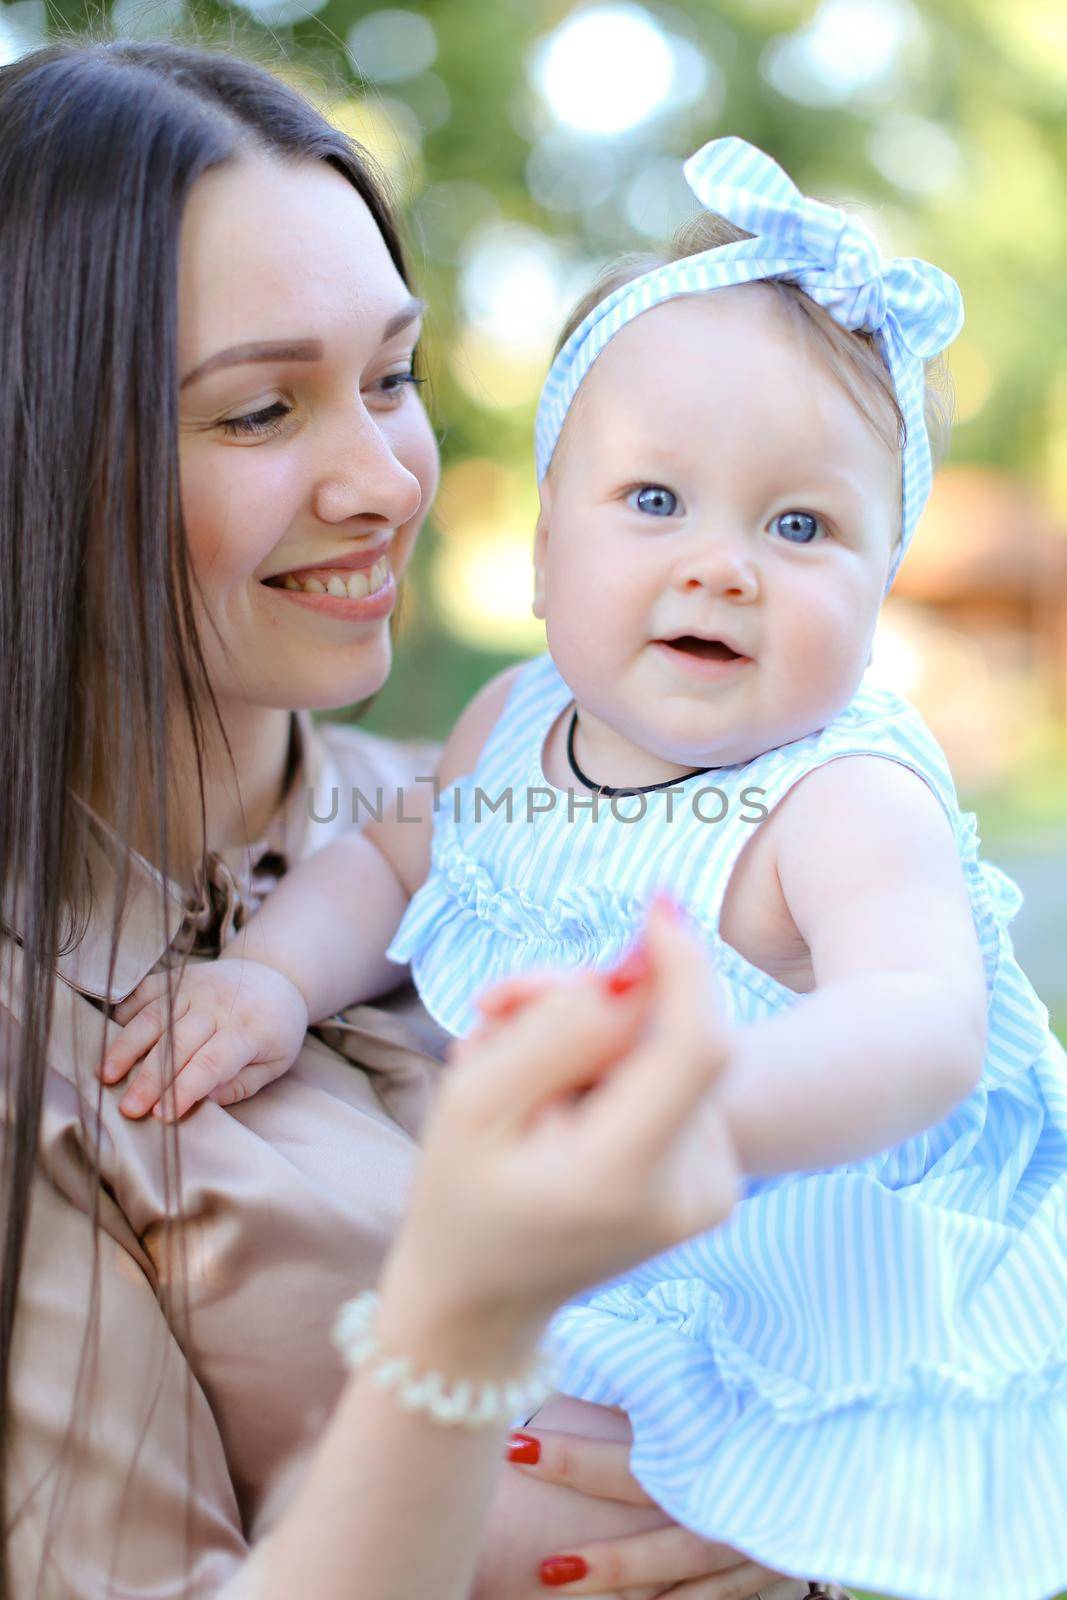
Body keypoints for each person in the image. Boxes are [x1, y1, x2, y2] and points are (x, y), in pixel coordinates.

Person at [108, 136, 1067, 1600]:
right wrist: (267, 982)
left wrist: (705, 1107)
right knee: (492, 1485)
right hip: (598, 1245)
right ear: (546, 551)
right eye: (655, 502)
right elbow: (391, 867)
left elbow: (922, 1027)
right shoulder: (514, 723)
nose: (724, 564)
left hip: (794, 1261)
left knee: (542, 1510)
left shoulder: (839, 796)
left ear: (882, 594)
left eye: (801, 526)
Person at [0, 44, 820, 1600]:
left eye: (392, 379)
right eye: (259, 411)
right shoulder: (31, 1039)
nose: (385, 479)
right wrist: (455, 1335)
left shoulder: (530, 811)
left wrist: (827, 1517)